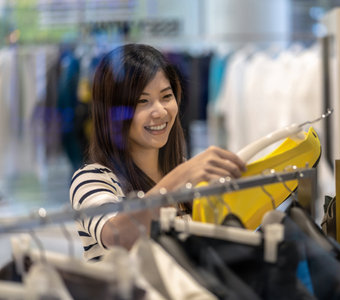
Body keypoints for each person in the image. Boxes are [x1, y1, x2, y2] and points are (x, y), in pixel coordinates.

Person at [70, 44, 246, 261]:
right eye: (142, 101)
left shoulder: (187, 173)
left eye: (166, 96)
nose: (160, 111)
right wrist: (182, 176)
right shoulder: (92, 179)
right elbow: (117, 236)